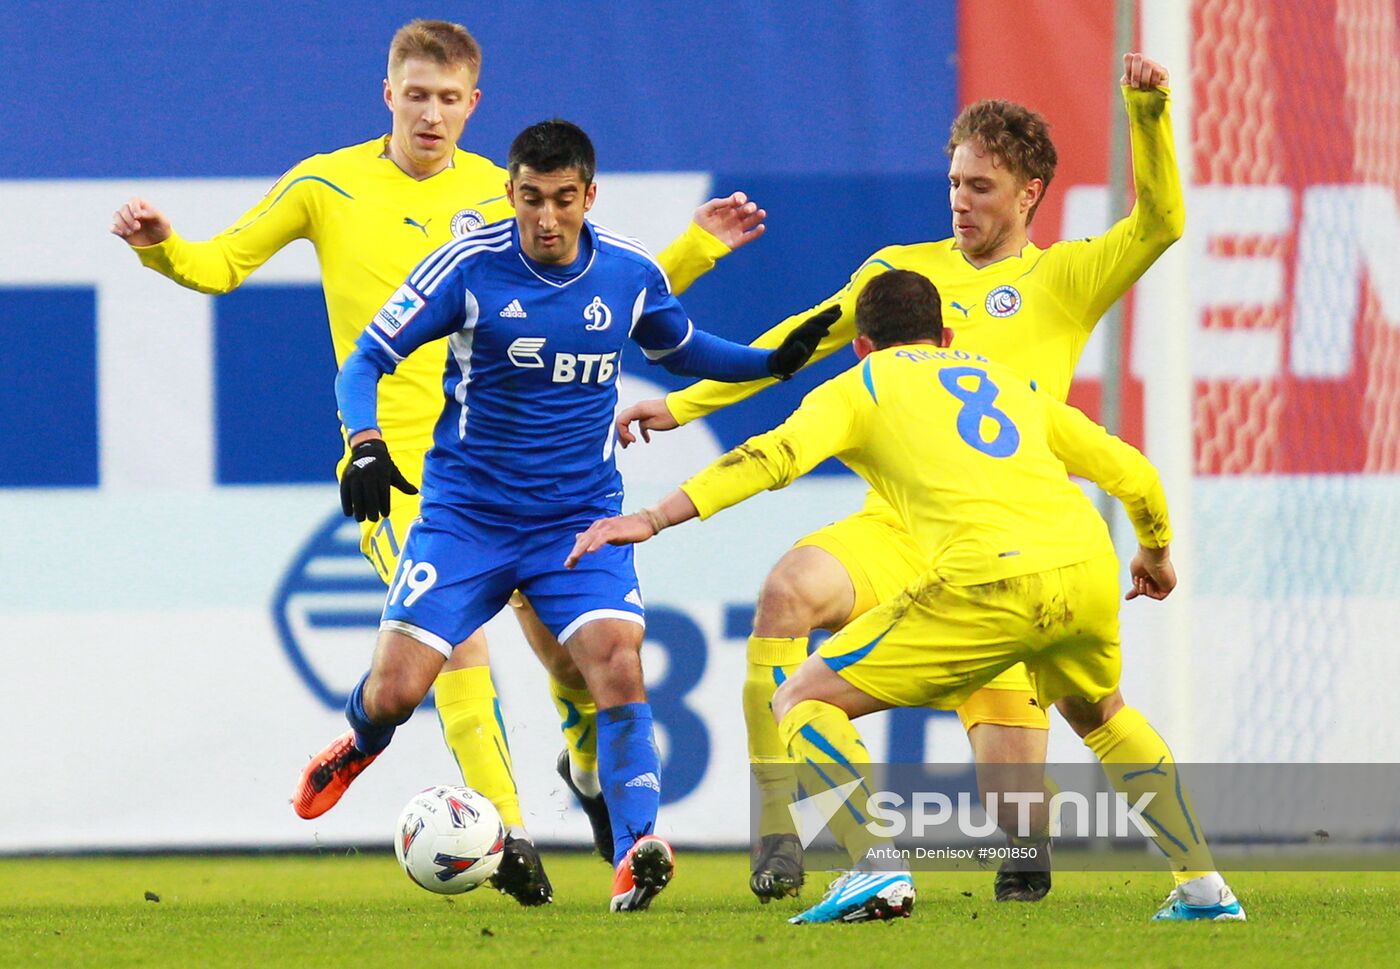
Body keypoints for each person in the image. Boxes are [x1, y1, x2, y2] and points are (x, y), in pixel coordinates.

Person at [109, 19, 767, 904]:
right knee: (454, 653)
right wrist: (161, 244)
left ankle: (593, 785)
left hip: (529, 469)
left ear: (473, 106)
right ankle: (508, 834)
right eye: (416, 95)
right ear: (388, 94)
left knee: (576, 662)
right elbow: (223, 265)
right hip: (408, 474)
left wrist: (692, 252)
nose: (431, 114)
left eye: (449, 99)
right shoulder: (325, 183)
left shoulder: (508, 197)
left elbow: (593, 295)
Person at [614, 52, 1183, 903]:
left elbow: (1161, 223)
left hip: (1004, 544)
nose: (961, 200)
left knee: (1019, 827)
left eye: (982, 186)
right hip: (896, 529)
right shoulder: (901, 274)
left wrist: (1146, 114)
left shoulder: (1065, 278)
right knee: (788, 592)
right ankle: (782, 826)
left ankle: (1078, 849)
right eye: (955, 181)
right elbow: (798, 341)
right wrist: (686, 405)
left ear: (1030, 194)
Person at [569, 269, 1246, 924]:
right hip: (1088, 569)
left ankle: (875, 863)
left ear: (862, 344)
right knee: (1102, 713)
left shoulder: (860, 384)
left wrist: (654, 516)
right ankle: (1205, 885)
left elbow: (768, 458)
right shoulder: (1008, 383)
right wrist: (1154, 550)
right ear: (947, 337)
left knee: (801, 697)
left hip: (989, 581)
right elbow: (1133, 471)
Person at [305, 118, 836, 913]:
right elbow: (366, 359)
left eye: (562, 200)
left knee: (616, 659)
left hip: (575, 520)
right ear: (510, 194)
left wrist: (772, 360)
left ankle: (635, 851)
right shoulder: (468, 267)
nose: (545, 219)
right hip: (466, 518)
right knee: (395, 691)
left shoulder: (625, 271)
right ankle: (359, 741)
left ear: (589, 195)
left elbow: (682, 346)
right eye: (529, 199)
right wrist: (368, 443)